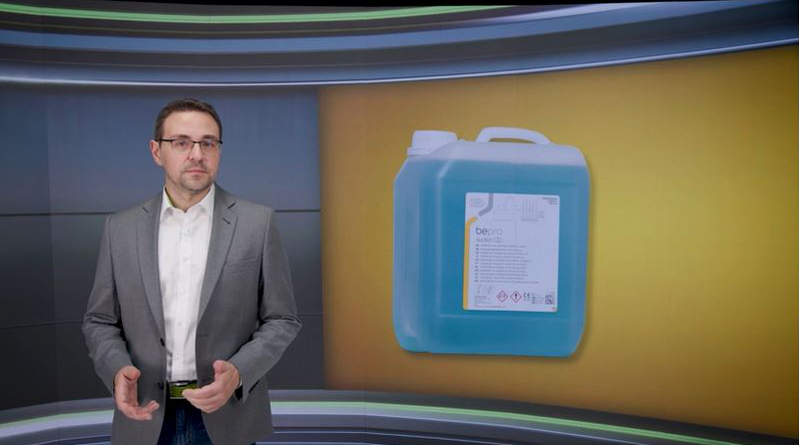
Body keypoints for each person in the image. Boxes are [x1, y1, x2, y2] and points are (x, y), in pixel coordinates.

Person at [83, 98, 301, 445]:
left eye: (208, 143)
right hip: (146, 416)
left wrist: (238, 373)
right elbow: (100, 321)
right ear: (157, 151)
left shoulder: (257, 223)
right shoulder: (119, 228)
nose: (197, 154)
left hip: (228, 417)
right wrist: (115, 370)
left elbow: (282, 319)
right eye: (181, 143)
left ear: (219, 151)